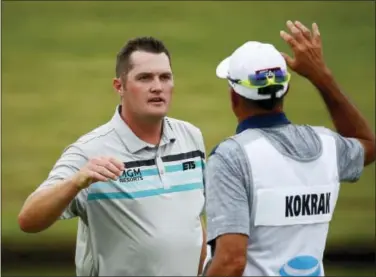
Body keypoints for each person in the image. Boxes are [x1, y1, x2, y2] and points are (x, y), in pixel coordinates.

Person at [18, 36, 208, 276]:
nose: (157, 86)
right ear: (120, 86)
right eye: (144, 78)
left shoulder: (190, 137)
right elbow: (28, 220)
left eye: (165, 77)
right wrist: (76, 182)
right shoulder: (89, 151)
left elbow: (192, 220)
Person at [203, 20, 375, 277]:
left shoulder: (231, 157)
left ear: (234, 96)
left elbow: (231, 262)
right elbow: (368, 144)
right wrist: (322, 77)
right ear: (287, 90)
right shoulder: (327, 146)